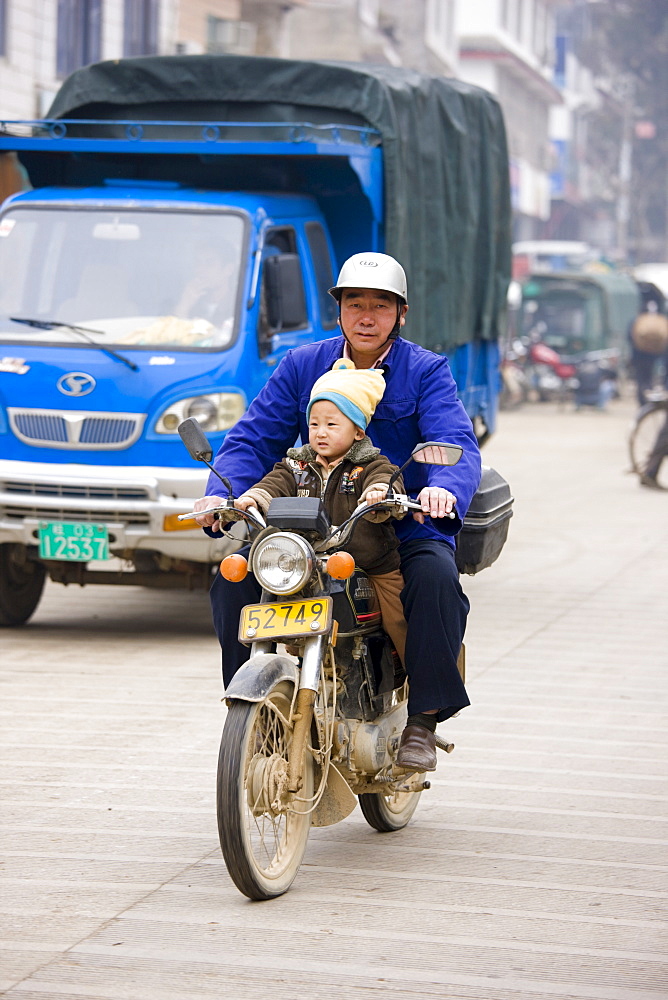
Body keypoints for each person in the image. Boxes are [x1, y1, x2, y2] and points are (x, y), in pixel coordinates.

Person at [194, 251, 482, 772]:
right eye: (355, 305)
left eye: (380, 306)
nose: (367, 317)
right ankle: (249, 707)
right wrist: (224, 495)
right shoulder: (303, 364)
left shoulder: (425, 371)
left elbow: (451, 441)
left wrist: (441, 490)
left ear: (400, 313)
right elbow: (254, 438)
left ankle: (422, 718)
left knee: (435, 577)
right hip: (312, 521)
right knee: (232, 579)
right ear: (340, 311)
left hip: (400, 520)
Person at [233, 358, 408, 662]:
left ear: (357, 431)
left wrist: (381, 493)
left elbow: (386, 479)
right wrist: (253, 497)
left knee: (401, 621)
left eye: (331, 424)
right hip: (305, 560)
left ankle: (420, 685)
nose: (320, 432)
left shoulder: (371, 465)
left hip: (370, 562)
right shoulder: (296, 465)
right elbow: (275, 482)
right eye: (314, 424)